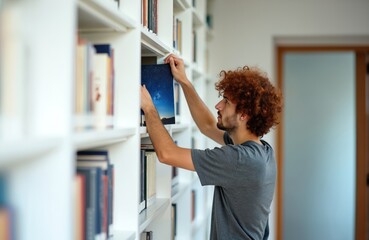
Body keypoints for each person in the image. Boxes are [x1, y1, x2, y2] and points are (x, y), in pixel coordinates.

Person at [140, 54, 283, 240]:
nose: (218, 105)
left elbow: (167, 154)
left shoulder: (241, 160)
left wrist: (149, 108)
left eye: (227, 102)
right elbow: (207, 126)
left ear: (243, 115)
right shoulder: (262, 151)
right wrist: (183, 81)